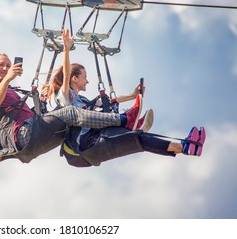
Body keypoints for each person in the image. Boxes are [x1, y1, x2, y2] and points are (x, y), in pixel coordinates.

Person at [45, 29, 206, 167]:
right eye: (84, 77)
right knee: (135, 137)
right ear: (75, 79)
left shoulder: (84, 102)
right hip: (80, 147)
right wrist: (66, 50)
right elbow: (66, 74)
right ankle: (127, 119)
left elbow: (108, 101)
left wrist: (133, 95)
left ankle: (186, 147)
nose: (87, 80)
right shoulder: (64, 98)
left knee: (138, 139)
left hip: (93, 141)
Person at [0, 51, 145, 164]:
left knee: (82, 121)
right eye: (1, 65)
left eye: (8, 65)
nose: (6, 68)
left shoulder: (10, 92)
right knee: (70, 113)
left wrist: (41, 100)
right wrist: (8, 78)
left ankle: (128, 127)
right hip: (24, 139)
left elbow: (104, 101)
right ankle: (124, 119)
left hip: (32, 138)